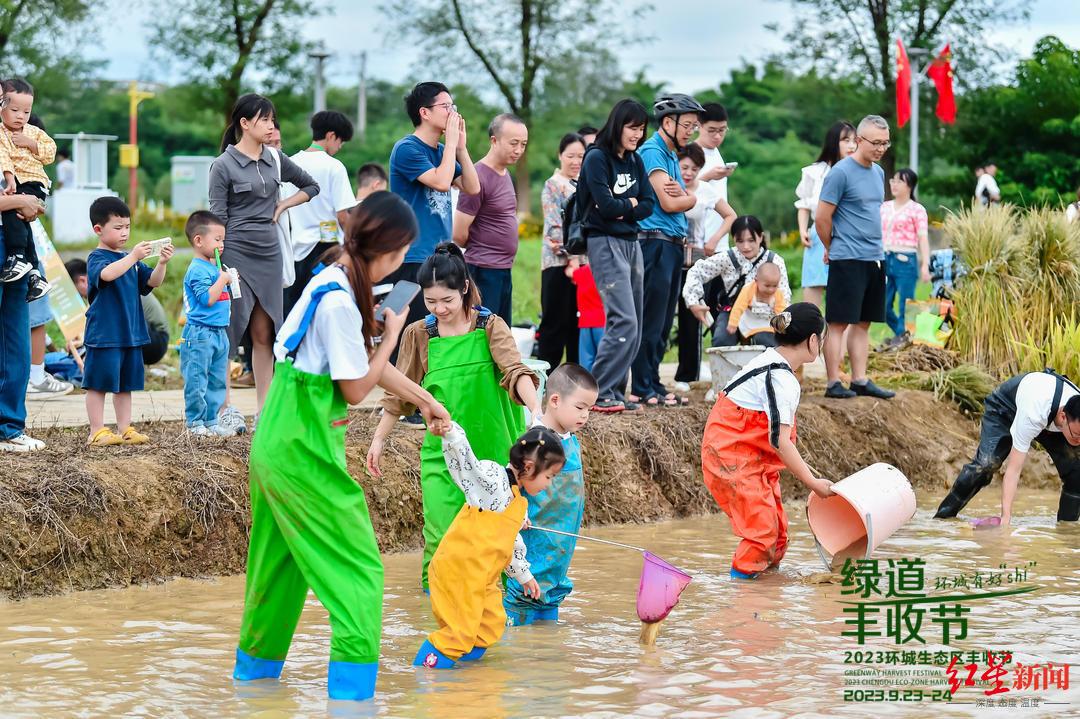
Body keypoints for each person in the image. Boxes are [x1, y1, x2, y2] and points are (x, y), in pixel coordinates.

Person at [234, 191, 452, 701]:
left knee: (278, 573)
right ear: (393, 251)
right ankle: (352, 702)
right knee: (360, 573)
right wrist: (393, 333)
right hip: (302, 451)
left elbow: (363, 367)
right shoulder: (338, 301)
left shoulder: (336, 280)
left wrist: (424, 400)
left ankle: (251, 691)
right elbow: (357, 387)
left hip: (279, 444)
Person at [366, 243, 541, 589]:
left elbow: (515, 371)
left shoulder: (490, 326)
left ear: (464, 289)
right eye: (431, 302)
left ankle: (488, 625)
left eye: (446, 300)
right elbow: (399, 394)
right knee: (441, 539)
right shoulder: (418, 334)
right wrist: (379, 439)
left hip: (493, 456)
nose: (439, 309)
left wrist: (536, 411)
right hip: (442, 459)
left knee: (493, 543)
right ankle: (439, 620)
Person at [414, 422, 564, 668]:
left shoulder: (516, 501)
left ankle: (463, 673)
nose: (550, 484)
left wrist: (524, 575)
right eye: (549, 476)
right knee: (459, 632)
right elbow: (466, 466)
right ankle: (428, 677)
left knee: (490, 623)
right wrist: (452, 432)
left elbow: (508, 543)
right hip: (459, 570)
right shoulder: (492, 479)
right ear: (529, 467)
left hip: (481, 577)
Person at [701, 303, 835, 579]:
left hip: (754, 457)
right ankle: (742, 600)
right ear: (812, 341)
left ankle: (767, 593)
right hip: (731, 456)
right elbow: (781, 442)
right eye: (821, 339)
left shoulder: (774, 362)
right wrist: (813, 484)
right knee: (762, 535)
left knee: (778, 536)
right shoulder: (780, 378)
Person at [209, 94, 319, 431]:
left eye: (272, 119)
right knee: (230, 329)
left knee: (264, 331)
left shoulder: (275, 158)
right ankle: (224, 408)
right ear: (245, 123)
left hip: (270, 252)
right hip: (235, 253)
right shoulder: (222, 165)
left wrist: (283, 205)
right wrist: (217, 266)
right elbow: (216, 218)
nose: (272, 126)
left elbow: (311, 186)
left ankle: (265, 410)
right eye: (265, 119)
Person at [504, 363, 598, 627]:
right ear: (555, 400)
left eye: (589, 409)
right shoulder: (536, 441)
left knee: (547, 638)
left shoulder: (570, 438)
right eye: (580, 407)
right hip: (534, 548)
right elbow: (510, 485)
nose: (586, 415)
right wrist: (517, 513)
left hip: (559, 553)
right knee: (521, 616)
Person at [578, 100, 655, 413]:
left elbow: (650, 203)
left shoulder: (634, 160)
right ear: (617, 126)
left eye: (641, 129)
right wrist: (630, 206)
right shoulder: (597, 157)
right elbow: (604, 206)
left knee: (633, 320)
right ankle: (598, 391)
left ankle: (615, 392)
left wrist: (627, 207)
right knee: (623, 319)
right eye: (632, 127)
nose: (637, 134)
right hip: (603, 241)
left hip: (631, 241)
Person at [387, 82, 481, 333]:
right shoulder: (407, 148)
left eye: (453, 106)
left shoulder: (443, 151)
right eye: (446, 106)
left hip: (441, 256)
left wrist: (460, 147)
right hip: (413, 256)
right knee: (413, 331)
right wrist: (450, 145)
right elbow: (440, 182)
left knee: (440, 331)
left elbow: (472, 187)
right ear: (424, 113)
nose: (453, 112)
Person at [629, 94, 703, 409]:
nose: (690, 132)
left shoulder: (672, 156)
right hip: (654, 242)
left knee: (662, 321)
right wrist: (692, 198)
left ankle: (654, 382)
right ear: (668, 122)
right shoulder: (653, 152)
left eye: (694, 126)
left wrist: (685, 195)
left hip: (672, 244)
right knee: (651, 317)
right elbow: (672, 202)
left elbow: (678, 197)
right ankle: (642, 385)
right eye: (686, 125)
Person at [82, 197, 174, 447]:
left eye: (127, 227)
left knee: (125, 385)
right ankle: (97, 430)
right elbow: (107, 275)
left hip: (131, 333)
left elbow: (153, 282)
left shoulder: (130, 259)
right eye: (118, 227)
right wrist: (133, 256)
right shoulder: (97, 257)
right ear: (98, 230)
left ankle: (125, 428)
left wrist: (162, 263)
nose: (124, 233)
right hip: (104, 334)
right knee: (98, 383)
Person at [815, 115, 894, 400]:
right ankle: (833, 382)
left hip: (874, 257)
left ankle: (860, 379)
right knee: (838, 322)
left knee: (863, 322)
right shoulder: (840, 173)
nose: (881, 148)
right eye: (876, 142)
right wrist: (831, 247)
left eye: (885, 142)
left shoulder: (878, 172)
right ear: (859, 140)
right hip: (847, 257)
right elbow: (822, 218)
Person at [934, 371, 1080, 524]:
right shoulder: (1034, 413)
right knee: (986, 464)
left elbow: (1074, 436)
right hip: (1004, 409)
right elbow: (1014, 470)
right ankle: (943, 518)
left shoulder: (1072, 420)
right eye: (1077, 435)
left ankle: (1066, 530)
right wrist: (1006, 518)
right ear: (1063, 417)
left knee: (1077, 473)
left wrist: (1075, 435)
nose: (1079, 441)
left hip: (1052, 420)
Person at [453, 113, 528, 325]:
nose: (519, 150)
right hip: (483, 271)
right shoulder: (477, 176)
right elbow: (458, 234)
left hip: (503, 270)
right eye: (513, 143)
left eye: (523, 144)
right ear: (494, 140)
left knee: (500, 336)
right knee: (481, 335)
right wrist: (485, 245)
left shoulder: (505, 174)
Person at [282, 110, 358, 318]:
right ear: (331, 135)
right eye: (340, 142)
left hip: (295, 250)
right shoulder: (334, 166)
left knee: (296, 311)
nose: (339, 148)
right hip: (328, 251)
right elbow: (343, 215)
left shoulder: (289, 163)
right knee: (324, 310)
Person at [674, 142, 737, 388]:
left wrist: (714, 239)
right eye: (685, 167)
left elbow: (730, 215)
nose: (689, 173)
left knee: (694, 316)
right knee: (664, 318)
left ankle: (686, 375)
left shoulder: (706, 190)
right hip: (669, 258)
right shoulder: (667, 188)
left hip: (696, 263)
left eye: (694, 168)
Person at [683, 215, 791, 346]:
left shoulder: (775, 261)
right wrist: (693, 301)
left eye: (751, 240)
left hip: (765, 315)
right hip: (733, 311)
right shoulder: (727, 258)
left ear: (761, 237)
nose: (746, 246)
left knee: (768, 342)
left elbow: (784, 296)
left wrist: (783, 324)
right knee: (721, 341)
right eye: (740, 241)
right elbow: (697, 271)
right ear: (733, 239)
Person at [0, 192, 49, 452]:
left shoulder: (10, 152)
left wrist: (32, 202)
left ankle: (10, 428)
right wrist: (19, 202)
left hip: (15, 241)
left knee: (16, 340)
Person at [0, 78, 55, 300]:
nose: (20, 116)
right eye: (14, 110)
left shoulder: (32, 132)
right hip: (17, 183)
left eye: (26, 111)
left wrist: (30, 143)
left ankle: (19, 258)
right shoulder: (1, 133)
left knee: (17, 215)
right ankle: (33, 271)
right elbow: (3, 156)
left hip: (34, 182)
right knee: (19, 218)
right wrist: (9, 177)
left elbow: (50, 151)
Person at [180, 211, 233, 438]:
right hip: (199, 333)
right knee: (197, 378)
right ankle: (195, 422)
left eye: (223, 240)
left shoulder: (215, 267)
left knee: (217, 379)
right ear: (198, 240)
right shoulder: (197, 270)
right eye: (217, 239)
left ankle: (211, 420)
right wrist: (222, 280)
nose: (221, 245)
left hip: (219, 331)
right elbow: (207, 299)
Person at [536, 132, 586, 368]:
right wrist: (572, 259)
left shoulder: (586, 184)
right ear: (560, 156)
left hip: (583, 268)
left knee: (578, 325)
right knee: (554, 324)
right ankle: (545, 381)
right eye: (570, 156)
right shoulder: (553, 186)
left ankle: (575, 382)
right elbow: (554, 228)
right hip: (558, 264)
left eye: (581, 156)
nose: (576, 161)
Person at [795, 121, 857, 309]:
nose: (852, 145)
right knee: (812, 291)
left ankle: (838, 339)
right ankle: (811, 336)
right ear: (833, 142)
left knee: (844, 298)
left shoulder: (859, 172)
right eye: (846, 140)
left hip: (848, 237)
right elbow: (804, 204)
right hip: (818, 235)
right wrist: (802, 230)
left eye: (855, 140)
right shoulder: (814, 172)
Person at [66, 257, 170, 366]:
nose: (82, 297)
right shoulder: (100, 285)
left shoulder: (108, 282)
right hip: (144, 335)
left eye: (78, 294)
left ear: (83, 280)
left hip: (156, 340)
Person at [880, 168, 930, 345]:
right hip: (885, 258)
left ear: (909, 185)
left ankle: (902, 338)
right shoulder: (884, 207)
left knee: (906, 304)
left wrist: (925, 264)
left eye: (899, 181)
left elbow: (923, 237)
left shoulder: (917, 210)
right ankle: (902, 335)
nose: (894, 184)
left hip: (906, 259)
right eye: (893, 181)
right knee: (882, 305)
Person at [694, 103, 735, 249]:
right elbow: (683, 189)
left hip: (718, 239)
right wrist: (708, 176)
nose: (717, 136)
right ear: (698, 125)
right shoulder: (691, 153)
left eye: (722, 130)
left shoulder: (716, 152)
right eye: (711, 130)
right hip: (700, 240)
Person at [726, 262, 788, 347]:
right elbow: (738, 307)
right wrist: (733, 323)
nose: (771, 289)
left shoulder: (778, 293)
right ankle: (745, 342)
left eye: (774, 286)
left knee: (768, 339)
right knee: (746, 337)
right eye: (767, 286)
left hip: (767, 323)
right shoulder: (748, 290)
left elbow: (781, 311)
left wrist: (783, 328)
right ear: (756, 281)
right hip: (750, 320)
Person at [572, 260, 604, 373]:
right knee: (603, 357)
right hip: (602, 321)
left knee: (586, 359)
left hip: (585, 321)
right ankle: (602, 385)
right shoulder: (606, 271)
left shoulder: (583, 271)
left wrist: (574, 259)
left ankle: (587, 386)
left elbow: (569, 272)